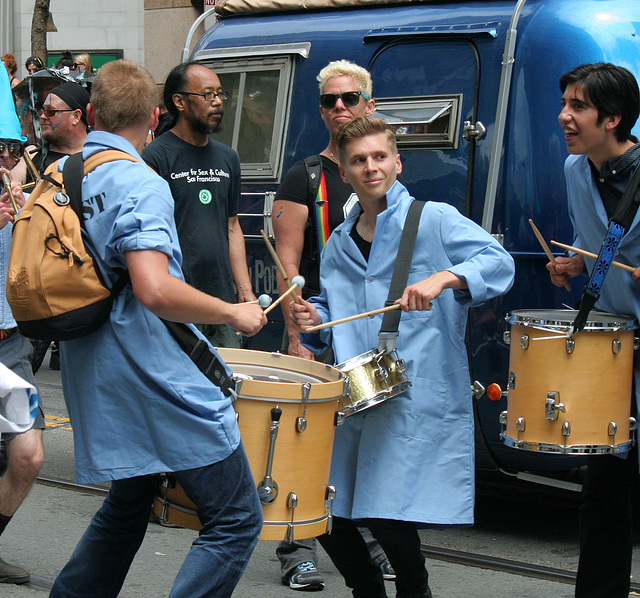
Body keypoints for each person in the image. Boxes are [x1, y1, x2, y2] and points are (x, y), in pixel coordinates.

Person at [48, 58, 267, 598]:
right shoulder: (141, 181)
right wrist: (234, 312)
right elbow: (154, 288)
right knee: (237, 518)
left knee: (126, 505)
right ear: (153, 117)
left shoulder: (62, 173)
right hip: (151, 370)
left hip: (93, 364)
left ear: (92, 112)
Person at [289, 117, 515, 598]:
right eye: (358, 161)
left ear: (397, 162)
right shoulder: (337, 243)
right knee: (326, 507)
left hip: (414, 391)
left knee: (384, 511)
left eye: (378, 157)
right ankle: (367, 590)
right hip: (354, 396)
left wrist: (443, 279)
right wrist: (314, 320)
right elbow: (335, 314)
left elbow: (498, 262)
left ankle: (415, 589)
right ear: (345, 173)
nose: (370, 167)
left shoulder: (433, 218)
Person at [272, 59, 392, 591]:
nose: (340, 107)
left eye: (350, 98)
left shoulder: (378, 167)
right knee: (302, 440)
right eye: (329, 101)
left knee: (361, 437)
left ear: (370, 102)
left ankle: (366, 540)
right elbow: (289, 264)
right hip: (315, 328)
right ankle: (295, 550)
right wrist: (297, 337)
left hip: (362, 331)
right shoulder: (304, 175)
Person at [548, 62, 640, 598]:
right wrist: (578, 266)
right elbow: (604, 245)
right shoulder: (573, 170)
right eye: (565, 103)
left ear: (613, 118)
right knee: (602, 492)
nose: (564, 116)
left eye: (577, 106)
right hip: (610, 349)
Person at [143, 61, 256, 349]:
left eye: (220, 94)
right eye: (208, 95)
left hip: (222, 301)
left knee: (230, 385)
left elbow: (232, 227)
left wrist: (245, 292)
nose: (218, 102)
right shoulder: (155, 157)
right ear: (179, 101)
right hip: (177, 301)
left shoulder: (228, 158)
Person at [0, 66, 45, 586]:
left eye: (11, 149)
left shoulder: (20, 186)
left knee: (29, 456)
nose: (7, 161)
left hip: (11, 341)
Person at [28, 81, 91, 372]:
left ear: (76, 116)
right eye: (42, 110)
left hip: (86, 282)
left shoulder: (98, 159)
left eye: (51, 111)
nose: (43, 116)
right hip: (42, 281)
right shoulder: (35, 159)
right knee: (24, 371)